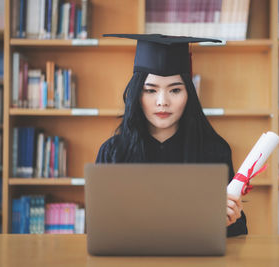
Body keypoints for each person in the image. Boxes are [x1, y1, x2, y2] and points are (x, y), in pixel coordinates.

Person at [96, 34, 248, 237]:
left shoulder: (213, 151)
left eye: (175, 90)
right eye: (150, 90)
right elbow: (98, 227)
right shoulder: (113, 152)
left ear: (189, 95)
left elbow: (237, 234)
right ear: (136, 95)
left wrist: (230, 219)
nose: (162, 102)